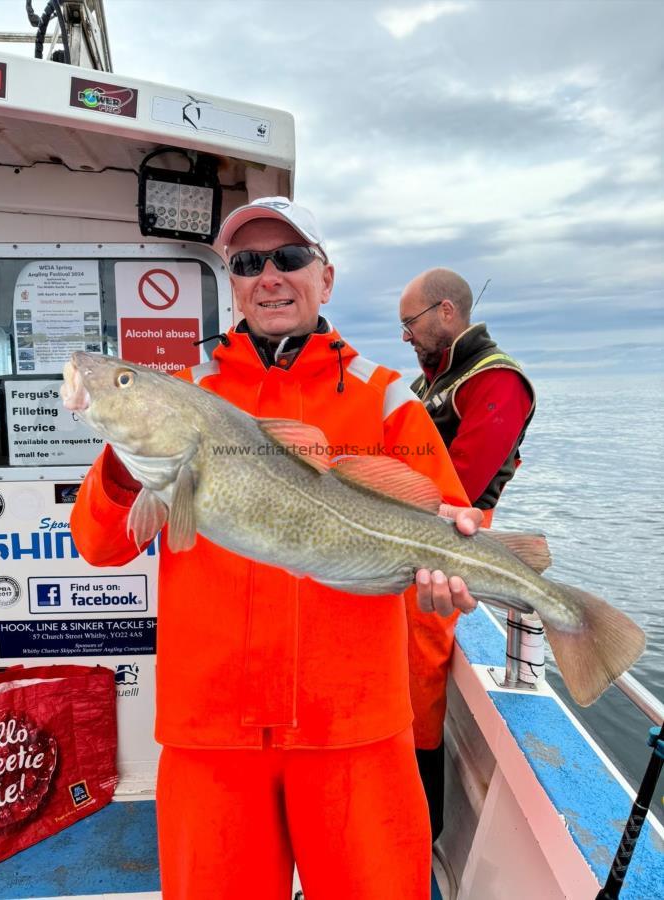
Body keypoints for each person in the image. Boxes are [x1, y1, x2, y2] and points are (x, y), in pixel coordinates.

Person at [71, 198, 482, 900]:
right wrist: (124, 457)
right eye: (246, 263)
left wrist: (450, 582)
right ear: (231, 283)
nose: (269, 276)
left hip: (355, 728)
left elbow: (442, 533)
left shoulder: (389, 404)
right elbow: (99, 547)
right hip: (211, 735)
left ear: (325, 277)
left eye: (289, 258)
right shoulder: (183, 395)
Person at [400, 267, 535, 842]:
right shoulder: (429, 383)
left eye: (411, 322)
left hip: (445, 546)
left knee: (419, 686)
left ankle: (419, 827)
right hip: (398, 538)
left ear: (447, 313)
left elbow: (459, 482)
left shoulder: (497, 380)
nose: (405, 335)